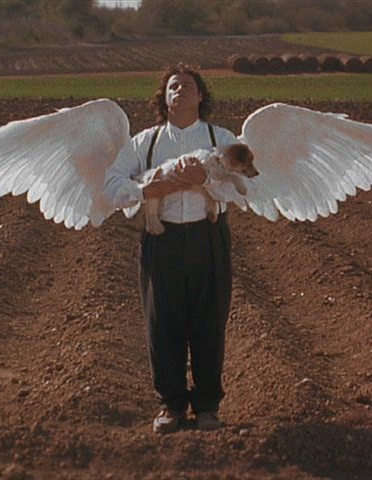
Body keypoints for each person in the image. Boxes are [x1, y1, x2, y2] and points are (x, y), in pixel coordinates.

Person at [103, 64, 237, 434]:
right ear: (164, 98)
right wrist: (145, 190)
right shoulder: (144, 143)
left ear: (201, 95)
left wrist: (206, 180)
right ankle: (171, 406)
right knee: (162, 324)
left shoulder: (220, 137)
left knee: (209, 322)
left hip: (208, 237)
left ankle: (207, 406)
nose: (180, 90)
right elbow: (112, 185)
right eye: (173, 86)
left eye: (188, 85)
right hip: (161, 239)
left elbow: (243, 186)